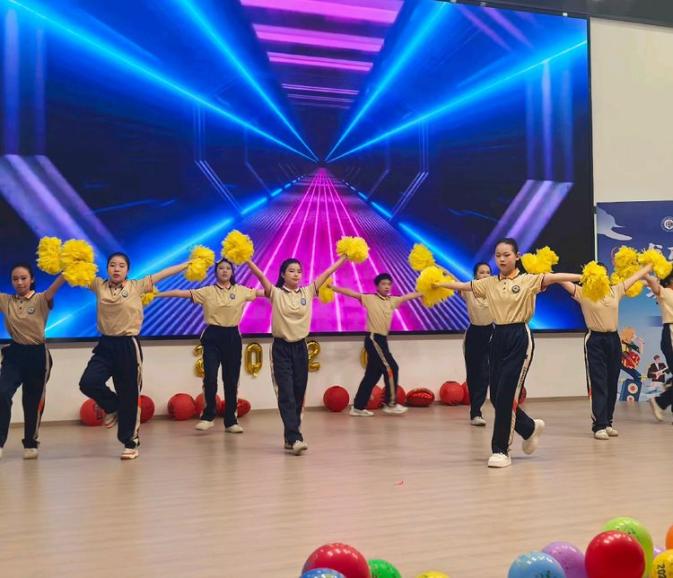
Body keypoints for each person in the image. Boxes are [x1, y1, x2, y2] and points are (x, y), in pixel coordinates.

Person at [436, 238, 581, 468]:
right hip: (497, 337)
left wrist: (583, 277)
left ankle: (501, 450)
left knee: (506, 396)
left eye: (506, 255)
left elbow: (554, 277)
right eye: (498, 255)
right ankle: (529, 428)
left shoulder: (528, 280)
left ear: (517, 256)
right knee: (496, 397)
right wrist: (437, 284)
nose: (502, 259)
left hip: (519, 337)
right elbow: (464, 286)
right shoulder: (489, 283)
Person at [78, 252, 187, 460]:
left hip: (128, 345)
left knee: (129, 394)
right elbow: (74, 272)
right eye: (112, 265)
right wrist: (66, 259)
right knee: (88, 382)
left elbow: (163, 274)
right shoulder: (98, 285)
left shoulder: (136, 286)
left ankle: (130, 442)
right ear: (107, 268)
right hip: (105, 345)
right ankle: (113, 407)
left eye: (121, 265)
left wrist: (187, 264)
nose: (116, 269)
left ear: (127, 270)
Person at [246, 254, 346, 455]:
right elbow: (260, 275)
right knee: (286, 393)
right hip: (281, 349)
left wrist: (345, 257)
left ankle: (290, 437)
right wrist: (246, 259)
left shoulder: (308, 291)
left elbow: (328, 271)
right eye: (291, 271)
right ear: (283, 274)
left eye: (299, 271)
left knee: (299, 393)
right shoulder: (275, 293)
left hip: (301, 348)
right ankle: (295, 437)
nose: (296, 274)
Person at [157, 258, 260, 433]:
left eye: (228, 268)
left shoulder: (242, 290)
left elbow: (266, 292)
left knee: (231, 380)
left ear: (232, 272)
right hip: (212, 336)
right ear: (216, 272)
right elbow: (181, 293)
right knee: (210, 377)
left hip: (232, 337)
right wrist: (157, 294)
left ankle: (231, 421)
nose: (225, 271)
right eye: (221, 268)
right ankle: (208, 416)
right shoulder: (207, 291)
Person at [559, 263, 652, 439]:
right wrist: (547, 271)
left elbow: (634, 278)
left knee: (611, 382)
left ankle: (608, 422)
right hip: (595, 340)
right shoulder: (584, 293)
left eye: (603, 274)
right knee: (598, 382)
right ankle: (599, 425)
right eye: (597, 274)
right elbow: (562, 280)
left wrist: (648, 266)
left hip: (613, 340)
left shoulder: (615, 290)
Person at [329, 273, 421, 417]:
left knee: (371, 376)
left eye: (389, 284)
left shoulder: (393, 300)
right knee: (392, 368)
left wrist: (425, 291)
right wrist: (332, 287)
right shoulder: (369, 298)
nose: (387, 286)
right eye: (383, 284)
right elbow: (351, 293)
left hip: (383, 340)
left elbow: (408, 296)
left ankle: (358, 407)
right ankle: (390, 404)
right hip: (374, 339)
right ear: (377, 286)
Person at [0, 263, 65, 459]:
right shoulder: (6, 300)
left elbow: (55, 287)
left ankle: (30, 443)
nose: (19, 282)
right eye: (15, 279)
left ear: (31, 279)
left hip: (37, 356)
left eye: (23, 278)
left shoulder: (41, 299)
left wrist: (68, 271)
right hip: (14, 354)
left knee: (32, 401)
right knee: (2, 392)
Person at [460, 262, 494, 426]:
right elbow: (452, 280)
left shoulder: (495, 290)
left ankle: (477, 412)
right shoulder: (468, 289)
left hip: (491, 334)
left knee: (485, 373)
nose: (485, 275)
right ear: (475, 275)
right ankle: (474, 412)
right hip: (473, 334)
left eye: (488, 272)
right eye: (482, 272)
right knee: (473, 375)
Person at [644, 271, 673, 422]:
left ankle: (665, 393)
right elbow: (652, 283)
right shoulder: (664, 292)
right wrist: (645, 271)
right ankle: (660, 401)